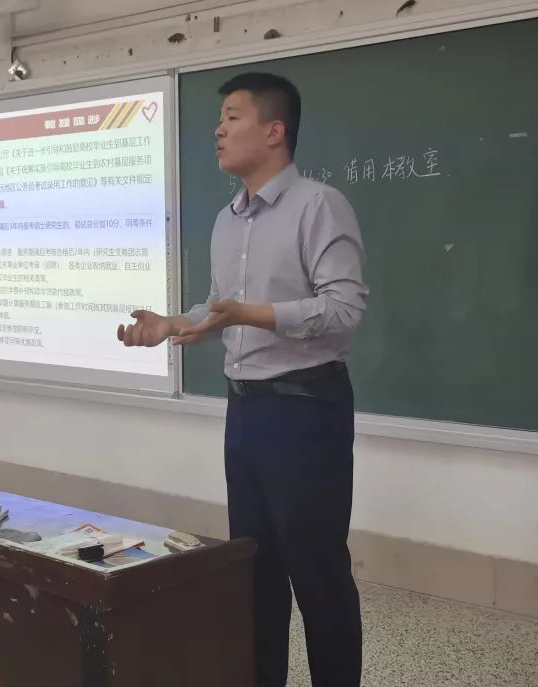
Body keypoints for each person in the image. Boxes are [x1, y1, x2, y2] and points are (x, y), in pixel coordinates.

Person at [117, 72, 367, 687]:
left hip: (307, 410)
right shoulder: (227, 221)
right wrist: (174, 323)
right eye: (220, 119)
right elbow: (221, 308)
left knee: (318, 574)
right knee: (254, 571)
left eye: (232, 117)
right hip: (246, 413)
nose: (218, 130)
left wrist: (249, 314)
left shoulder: (318, 205)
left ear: (275, 131)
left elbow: (343, 310)